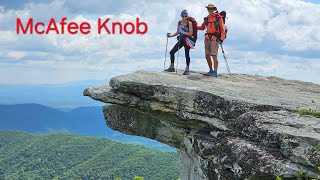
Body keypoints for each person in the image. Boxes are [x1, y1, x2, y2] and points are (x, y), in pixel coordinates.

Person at [198, 4, 226, 77]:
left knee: (214, 56)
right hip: (207, 38)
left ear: (214, 9)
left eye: (211, 9)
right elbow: (202, 27)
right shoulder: (207, 18)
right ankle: (211, 70)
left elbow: (222, 29)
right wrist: (193, 26)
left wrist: (221, 39)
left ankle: (215, 72)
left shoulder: (218, 18)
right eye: (208, 9)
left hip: (215, 38)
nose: (210, 10)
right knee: (207, 55)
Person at [166, 10, 194, 75]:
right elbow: (178, 32)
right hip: (181, 40)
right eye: (183, 16)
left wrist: (183, 32)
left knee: (187, 53)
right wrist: (170, 36)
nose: (184, 17)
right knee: (172, 52)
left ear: (187, 16)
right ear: (181, 16)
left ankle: (187, 69)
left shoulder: (189, 23)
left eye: (185, 16)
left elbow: (190, 33)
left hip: (187, 40)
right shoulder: (179, 23)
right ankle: (172, 67)